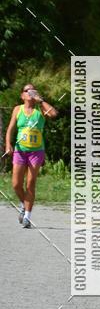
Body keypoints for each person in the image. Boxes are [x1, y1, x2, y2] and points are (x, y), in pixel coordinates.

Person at [4, 83, 58, 228]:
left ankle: (27, 216)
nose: (30, 93)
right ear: (22, 95)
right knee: (16, 184)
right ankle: (24, 203)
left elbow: (54, 114)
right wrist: (8, 145)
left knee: (30, 183)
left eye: (33, 90)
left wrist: (41, 100)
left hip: (36, 151)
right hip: (20, 150)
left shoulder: (40, 109)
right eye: (27, 90)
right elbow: (10, 129)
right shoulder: (17, 109)